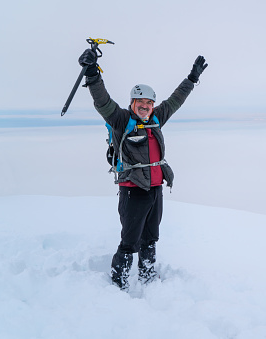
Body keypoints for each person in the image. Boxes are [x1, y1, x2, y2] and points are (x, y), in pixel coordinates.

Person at [78, 48, 208, 290]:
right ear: (132, 103)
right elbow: (102, 102)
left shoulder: (157, 119)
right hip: (133, 190)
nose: (146, 107)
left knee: (150, 238)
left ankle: (148, 276)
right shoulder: (120, 121)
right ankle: (119, 282)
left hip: (155, 189)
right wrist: (93, 74)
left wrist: (191, 79)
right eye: (141, 102)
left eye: (149, 103)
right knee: (129, 241)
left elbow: (176, 100)